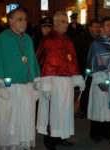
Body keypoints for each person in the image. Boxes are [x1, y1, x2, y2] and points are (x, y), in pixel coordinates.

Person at [36, 11, 85, 150]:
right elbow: (43, 63)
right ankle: (49, 141)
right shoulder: (48, 40)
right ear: (56, 23)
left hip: (67, 81)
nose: (66, 24)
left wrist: (77, 79)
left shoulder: (68, 40)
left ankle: (60, 137)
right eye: (63, 21)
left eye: (67, 21)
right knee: (53, 112)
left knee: (65, 110)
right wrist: (45, 85)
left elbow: (73, 61)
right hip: (52, 82)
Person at [0, 7, 40, 150]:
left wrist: (37, 84)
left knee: (26, 118)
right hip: (9, 87)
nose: (24, 22)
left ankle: (23, 144)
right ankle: (9, 146)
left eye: (25, 19)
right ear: (10, 21)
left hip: (27, 86)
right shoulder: (1, 39)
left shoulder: (28, 39)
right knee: (9, 119)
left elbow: (32, 61)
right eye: (20, 19)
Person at [74, 20, 101, 117]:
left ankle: (94, 107)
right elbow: (77, 53)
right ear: (90, 28)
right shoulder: (82, 39)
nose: (97, 29)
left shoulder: (100, 39)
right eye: (95, 27)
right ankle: (84, 109)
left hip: (97, 68)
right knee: (85, 89)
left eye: (99, 27)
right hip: (85, 67)